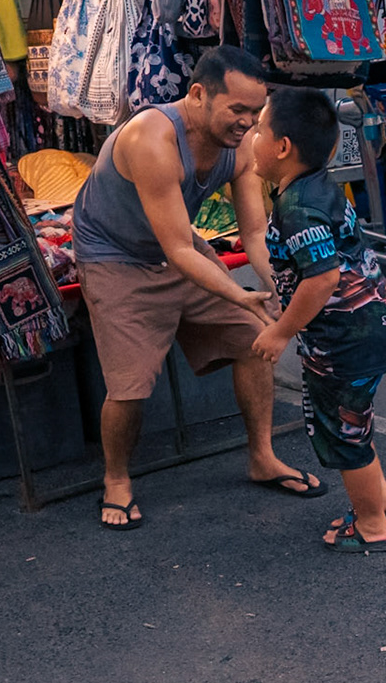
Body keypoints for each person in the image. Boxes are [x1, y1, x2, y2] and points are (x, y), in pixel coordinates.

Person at [72, 45, 322, 530]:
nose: (247, 123)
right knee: (129, 386)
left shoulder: (239, 145)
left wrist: (274, 285)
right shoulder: (151, 138)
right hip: (115, 257)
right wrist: (238, 293)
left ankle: (262, 457)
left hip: (176, 245)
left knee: (255, 339)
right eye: (237, 109)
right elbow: (179, 251)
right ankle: (116, 479)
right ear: (198, 94)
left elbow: (254, 232)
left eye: (255, 113)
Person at [246, 87, 386, 554]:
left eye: (259, 129)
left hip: (344, 338)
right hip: (365, 327)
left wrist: (280, 331)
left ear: (282, 147)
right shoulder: (318, 187)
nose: (252, 137)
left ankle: (373, 526)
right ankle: (382, 503)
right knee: (354, 422)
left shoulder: (298, 208)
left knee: (344, 432)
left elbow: (322, 279)